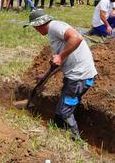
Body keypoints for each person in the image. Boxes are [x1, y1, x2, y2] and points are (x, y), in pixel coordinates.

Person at [25, 9, 97, 140]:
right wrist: (46, 77)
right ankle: (57, 135)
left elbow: (77, 38)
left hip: (79, 77)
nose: (35, 29)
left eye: (34, 27)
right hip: (76, 76)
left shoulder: (54, 26)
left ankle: (76, 142)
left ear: (39, 24)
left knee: (64, 112)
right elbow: (60, 61)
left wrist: (60, 56)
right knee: (61, 110)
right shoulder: (53, 31)